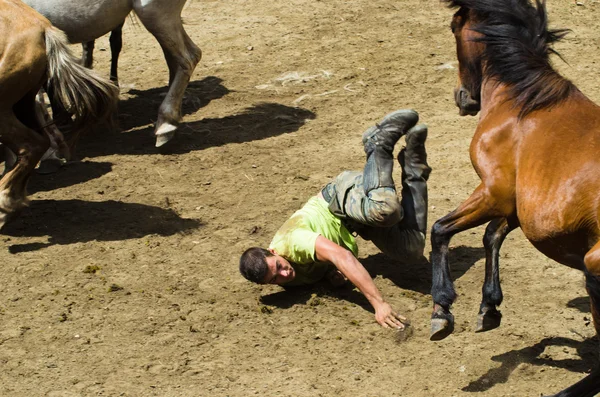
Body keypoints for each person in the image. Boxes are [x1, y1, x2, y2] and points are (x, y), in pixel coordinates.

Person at [239, 109, 431, 329]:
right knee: (411, 249)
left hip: (339, 199)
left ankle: (377, 143)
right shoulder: (290, 282)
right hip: (354, 223)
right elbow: (320, 269)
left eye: (279, 266)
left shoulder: (292, 242)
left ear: (273, 252)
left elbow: (342, 256)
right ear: (267, 284)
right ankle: (413, 164)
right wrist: (331, 275)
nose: (285, 274)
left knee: (385, 210)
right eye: (275, 279)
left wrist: (379, 304)